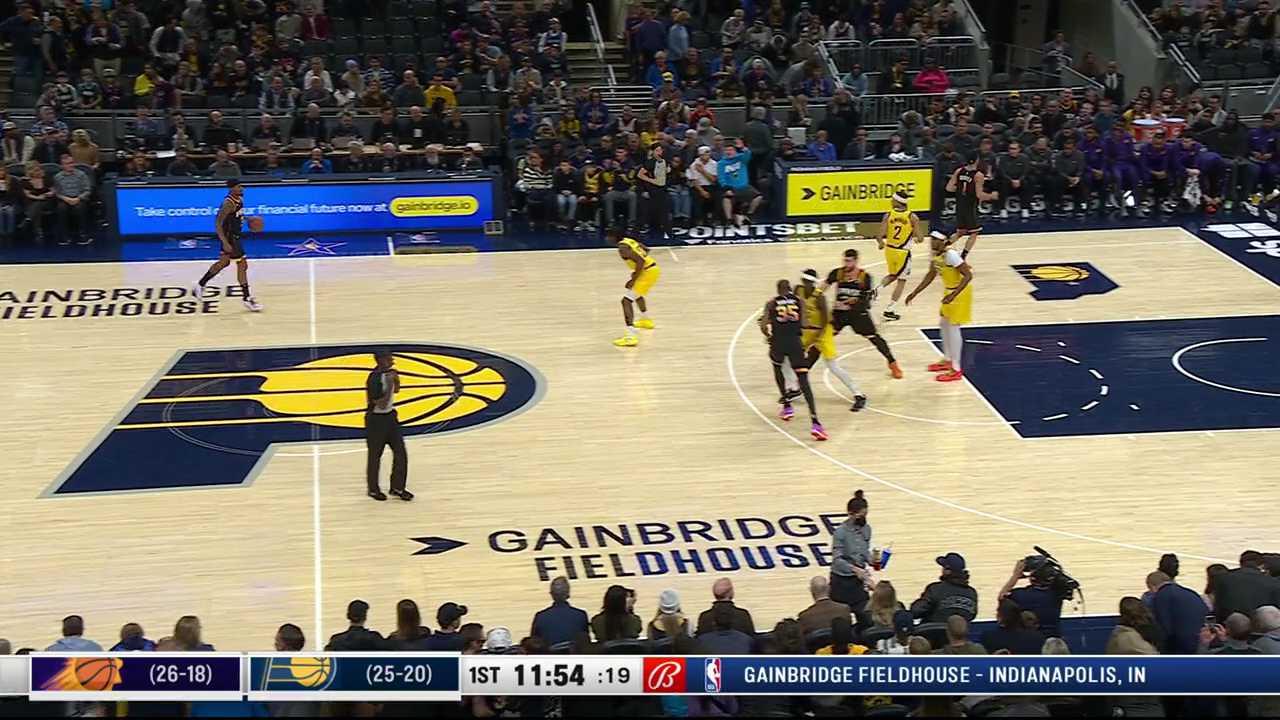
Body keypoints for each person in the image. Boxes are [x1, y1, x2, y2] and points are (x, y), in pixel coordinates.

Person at [759, 279, 824, 439]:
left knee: (777, 368)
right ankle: (815, 422)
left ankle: (787, 406)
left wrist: (769, 336)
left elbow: (763, 325)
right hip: (795, 343)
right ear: (790, 289)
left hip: (778, 342)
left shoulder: (771, 303)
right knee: (803, 380)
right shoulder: (799, 301)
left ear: (778, 290)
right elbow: (804, 323)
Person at [823, 249, 903, 380]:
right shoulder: (837, 273)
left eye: (849, 261)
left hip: (857, 314)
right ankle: (804, 368)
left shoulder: (865, 277)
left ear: (856, 261)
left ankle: (893, 363)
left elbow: (868, 300)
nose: (846, 264)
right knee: (823, 337)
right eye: (845, 260)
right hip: (839, 314)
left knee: (874, 337)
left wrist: (855, 302)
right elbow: (822, 288)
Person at [905, 230, 973, 383]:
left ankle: (956, 369)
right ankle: (947, 359)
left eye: (936, 240)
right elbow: (931, 274)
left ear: (944, 241)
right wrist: (915, 293)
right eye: (931, 240)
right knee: (943, 324)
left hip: (959, 293)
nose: (932, 243)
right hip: (949, 292)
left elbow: (968, 275)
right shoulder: (936, 255)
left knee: (953, 328)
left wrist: (953, 295)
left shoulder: (951, 255)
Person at [796, 269, 867, 412]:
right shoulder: (798, 290)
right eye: (805, 281)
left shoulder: (819, 298)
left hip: (822, 332)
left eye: (810, 282)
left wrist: (816, 338)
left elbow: (824, 322)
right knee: (787, 356)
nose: (807, 284)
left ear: (814, 283)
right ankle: (793, 388)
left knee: (833, 366)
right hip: (808, 330)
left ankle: (858, 394)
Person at [193, 179, 262, 311]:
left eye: (242, 186)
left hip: (235, 236)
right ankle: (247, 298)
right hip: (230, 238)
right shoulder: (228, 203)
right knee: (242, 265)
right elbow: (218, 223)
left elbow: (237, 216)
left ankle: (200, 284)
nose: (241, 189)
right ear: (231, 188)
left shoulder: (239, 200)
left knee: (224, 263)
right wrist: (225, 242)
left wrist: (249, 219)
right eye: (238, 187)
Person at [365, 348, 412, 502]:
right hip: (376, 420)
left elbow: (396, 391)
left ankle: (397, 487)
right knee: (375, 456)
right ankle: (373, 489)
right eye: (388, 359)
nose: (392, 361)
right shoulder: (374, 378)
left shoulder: (390, 374)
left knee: (401, 453)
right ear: (380, 360)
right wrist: (390, 384)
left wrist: (396, 381)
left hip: (391, 417)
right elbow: (382, 404)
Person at [609, 228, 660, 346]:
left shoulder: (622, 247)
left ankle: (630, 336)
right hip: (651, 269)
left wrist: (634, 278)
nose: (607, 239)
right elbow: (646, 250)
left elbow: (640, 261)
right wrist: (638, 271)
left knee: (626, 301)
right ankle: (646, 320)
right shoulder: (629, 241)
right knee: (636, 294)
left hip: (647, 272)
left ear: (613, 237)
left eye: (609, 236)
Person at [877, 193, 922, 321]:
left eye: (893, 200)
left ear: (898, 202)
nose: (891, 201)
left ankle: (876, 290)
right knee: (901, 281)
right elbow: (920, 238)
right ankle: (890, 309)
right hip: (903, 252)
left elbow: (879, 236)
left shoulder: (888, 215)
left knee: (892, 275)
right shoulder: (912, 217)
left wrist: (881, 243)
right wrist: (915, 238)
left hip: (889, 250)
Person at [946, 151, 997, 258]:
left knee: (961, 231)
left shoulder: (959, 171)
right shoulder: (978, 175)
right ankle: (962, 257)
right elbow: (979, 195)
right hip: (970, 207)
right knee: (974, 233)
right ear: (977, 160)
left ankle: (941, 247)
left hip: (960, 206)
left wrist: (961, 190)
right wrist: (992, 196)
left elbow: (949, 188)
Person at [829, 491, 871, 611]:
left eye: (865, 515)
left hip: (859, 581)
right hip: (841, 581)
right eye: (860, 516)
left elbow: (864, 551)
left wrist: (872, 560)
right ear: (850, 514)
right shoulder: (840, 532)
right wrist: (855, 569)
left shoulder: (867, 529)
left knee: (866, 614)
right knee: (839, 615)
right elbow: (837, 559)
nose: (863, 519)